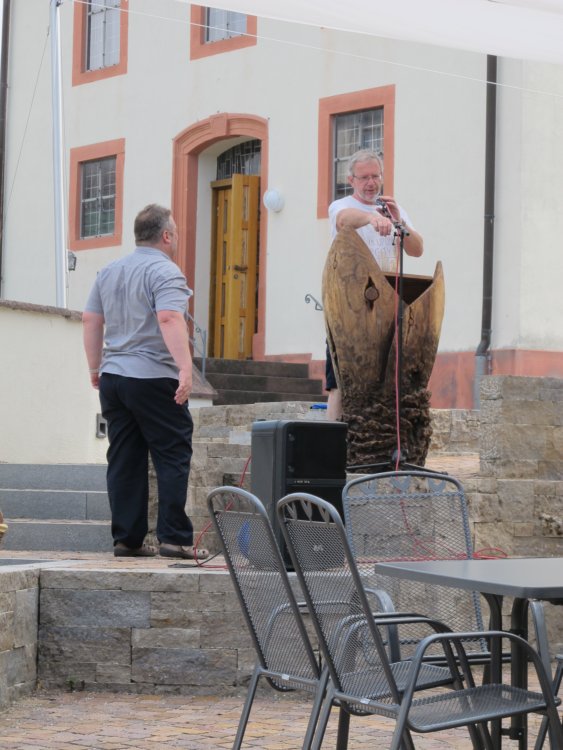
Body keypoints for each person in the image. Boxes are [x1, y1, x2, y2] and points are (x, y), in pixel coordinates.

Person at [82, 204, 208, 560]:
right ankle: (174, 538)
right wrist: (186, 368)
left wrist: (95, 367)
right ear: (166, 236)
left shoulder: (109, 270)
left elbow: (91, 319)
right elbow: (169, 318)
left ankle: (128, 539)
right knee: (172, 453)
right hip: (153, 377)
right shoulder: (165, 271)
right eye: (177, 232)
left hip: (114, 377)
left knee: (124, 457)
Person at [325, 149, 424, 420]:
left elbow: (417, 249)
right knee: (340, 380)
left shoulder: (394, 209)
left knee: (387, 378)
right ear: (351, 179)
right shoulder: (341, 205)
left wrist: (398, 221)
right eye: (364, 177)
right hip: (350, 306)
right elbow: (344, 220)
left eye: (375, 176)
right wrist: (371, 218)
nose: (371, 183)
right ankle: (333, 442)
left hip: (388, 306)